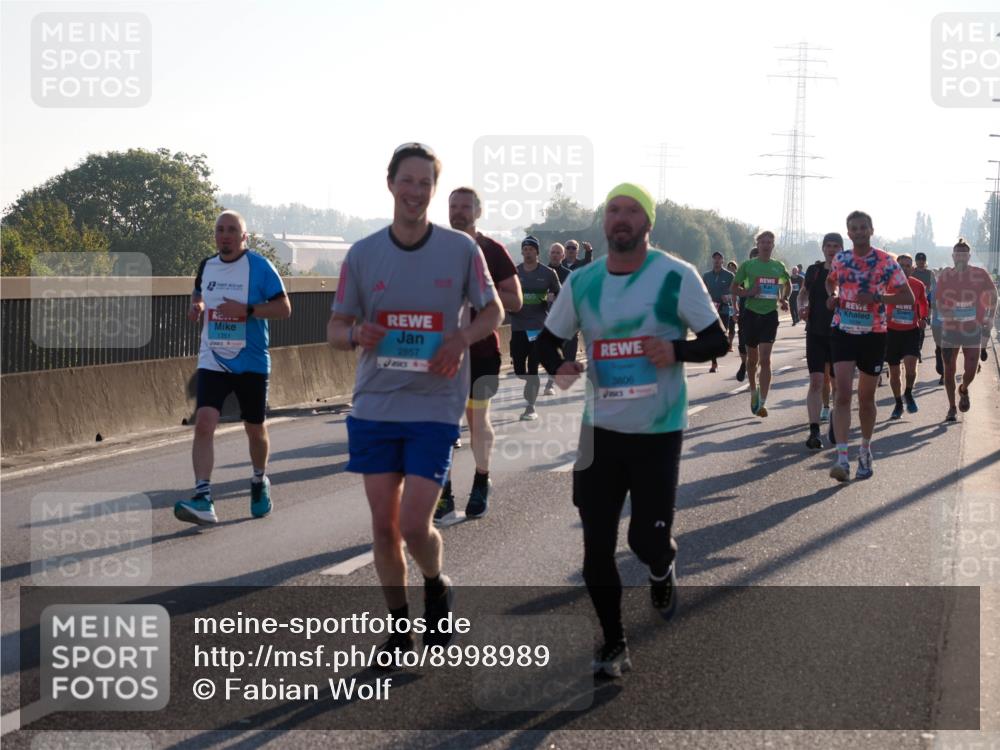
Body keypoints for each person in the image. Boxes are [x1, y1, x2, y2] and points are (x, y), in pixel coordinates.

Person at [536, 183, 727, 678]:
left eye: (631, 211)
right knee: (595, 546)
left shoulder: (675, 276)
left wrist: (677, 351)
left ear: (647, 223)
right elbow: (547, 341)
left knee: (645, 540)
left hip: (657, 431)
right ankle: (613, 641)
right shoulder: (583, 282)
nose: (621, 218)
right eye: (613, 210)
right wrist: (558, 365)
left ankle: (662, 564)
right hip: (598, 430)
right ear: (604, 222)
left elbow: (717, 340)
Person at [327, 143, 503, 662]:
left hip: (434, 407)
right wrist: (358, 332)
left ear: (433, 189)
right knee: (383, 526)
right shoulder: (362, 255)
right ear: (390, 184)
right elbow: (334, 328)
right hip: (376, 407)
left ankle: (436, 581)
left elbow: (493, 311)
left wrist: (459, 338)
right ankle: (399, 627)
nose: (416, 191)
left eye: (425, 183)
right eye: (408, 181)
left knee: (412, 524)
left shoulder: (460, 250)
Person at [174, 210, 291, 526]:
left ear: (244, 237)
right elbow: (199, 289)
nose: (224, 235)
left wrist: (248, 310)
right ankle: (202, 496)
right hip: (213, 358)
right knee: (204, 423)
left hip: (250, 361)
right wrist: (197, 304)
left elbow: (284, 308)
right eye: (220, 230)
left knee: (254, 428)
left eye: (231, 230)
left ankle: (258, 479)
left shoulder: (260, 268)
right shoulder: (207, 265)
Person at [434, 187, 523, 524]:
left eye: (465, 207)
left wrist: (477, 290)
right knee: (441, 423)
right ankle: (443, 494)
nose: (458, 212)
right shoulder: (435, 248)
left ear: (479, 212)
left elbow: (514, 301)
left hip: (482, 352)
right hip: (441, 351)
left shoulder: (492, 250)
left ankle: (482, 480)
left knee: (476, 422)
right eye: (453, 206)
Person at [826, 211, 913, 481]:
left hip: (873, 334)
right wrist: (833, 296)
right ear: (848, 233)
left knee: (866, 399)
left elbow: (907, 297)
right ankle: (842, 459)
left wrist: (876, 297)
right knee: (842, 394)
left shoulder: (886, 262)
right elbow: (831, 281)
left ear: (871, 230)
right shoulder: (841, 259)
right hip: (843, 331)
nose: (859, 231)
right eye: (854, 228)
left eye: (863, 227)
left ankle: (864, 449)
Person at [933, 239, 998, 421]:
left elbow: (994, 296)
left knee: (970, 371)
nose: (961, 257)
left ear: (969, 256)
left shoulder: (980, 274)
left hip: (972, 329)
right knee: (949, 370)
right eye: (957, 254)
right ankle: (952, 408)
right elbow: (938, 302)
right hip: (950, 329)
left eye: (964, 254)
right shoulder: (946, 275)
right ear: (953, 256)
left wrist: (990, 318)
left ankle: (963, 388)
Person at [730, 231, 790, 416]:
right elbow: (734, 288)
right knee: (752, 359)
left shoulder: (778, 266)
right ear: (758, 244)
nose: (766, 245)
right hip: (750, 315)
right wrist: (749, 292)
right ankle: (753, 390)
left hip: (769, 315)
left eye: (769, 242)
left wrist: (784, 298)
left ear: (773, 245)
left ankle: (762, 402)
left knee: (765, 359)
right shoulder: (748, 266)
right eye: (762, 242)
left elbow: (786, 284)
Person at [510, 236, 561, 420]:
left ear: (537, 252)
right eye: (525, 248)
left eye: (532, 248)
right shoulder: (514, 273)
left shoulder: (548, 273)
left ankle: (530, 407)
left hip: (538, 328)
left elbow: (560, 295)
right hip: (517, 327)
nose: (528, 251)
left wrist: (552, 299)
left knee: (532, 369)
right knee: (518, 369)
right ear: (522, 251)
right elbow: (505, 294)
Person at [800, 233, 840, 450]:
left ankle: (835, 419)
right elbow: (803, 294)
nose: (831, 250)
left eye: (836, 246)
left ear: (841, 249)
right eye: (828, 246)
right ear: (823, 248)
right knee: (816, 382)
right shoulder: (814, 271)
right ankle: (814, 431)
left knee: (837, 384)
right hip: (815, 332)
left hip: (840, 334)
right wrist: (801, 306)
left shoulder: (847, 273)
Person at [885, 254, 929, 419]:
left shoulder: (918, 285)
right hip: (891, 331)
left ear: (912, 268)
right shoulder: (887, 284)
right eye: (901, 265)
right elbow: (878, 301)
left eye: (907, 265)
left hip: (911, 331)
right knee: (894, 372)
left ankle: (908, 393)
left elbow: (924, 303)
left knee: (911, 367)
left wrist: (923, 318)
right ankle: (898, 403)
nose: (904, 268)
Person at [543, 243, 572, 395]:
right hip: (541, 318)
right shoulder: (542, 271)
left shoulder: (568, 274)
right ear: (549, 254)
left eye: (558, 253)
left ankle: (550, 383)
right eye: (552, 252)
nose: (555, 255)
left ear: (563, 256)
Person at [702, 251, 735, 373]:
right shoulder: (706, 276)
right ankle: (714, 363)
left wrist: (729, 297)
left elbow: (735, 291)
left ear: (723, 261)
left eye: (719, 258)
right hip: (711, 308)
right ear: (712, 260)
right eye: (714, 258)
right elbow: (702, 291)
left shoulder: (729, 275)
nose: (716, 260)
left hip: (724, 309)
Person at [911, 252, 936, 365]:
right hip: (911, 304)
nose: (921, 262)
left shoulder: (930, 273)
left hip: (924, 303)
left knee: (921, 329)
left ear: (925, 261)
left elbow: (934, 289)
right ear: (915, 261)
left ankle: (918, 351)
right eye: (918, 260)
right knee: (911, 329)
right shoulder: (911, 272)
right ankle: (912, 351)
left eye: (923, 260)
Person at [725, 260, 739, 351]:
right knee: (725, 325)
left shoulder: (739, 278)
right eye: (729, 269)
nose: (731, 271)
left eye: (733, 269)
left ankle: (730, 344)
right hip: (725, 305)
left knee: (732, 326)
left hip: (736, 305)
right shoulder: (725, 277)